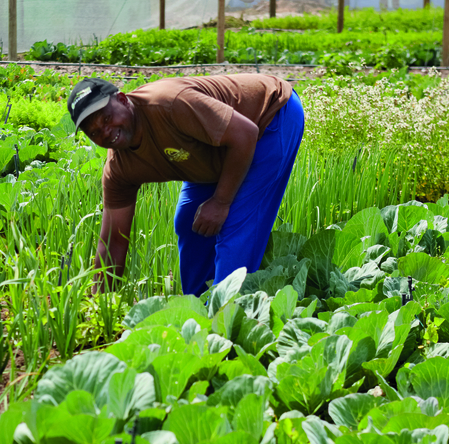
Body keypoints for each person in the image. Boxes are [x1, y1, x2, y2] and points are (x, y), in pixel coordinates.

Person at [67, 74, 304, 296]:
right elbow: (113, 241)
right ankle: (199, 303)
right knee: (189, 222)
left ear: (122, 99)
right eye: (95, 132)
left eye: (107, 118)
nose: (106, 132)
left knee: (236, 227)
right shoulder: (119, 168)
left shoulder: (169, 105)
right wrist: (99, 307)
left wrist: (221, 202)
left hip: (269, 118)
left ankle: (225, 317)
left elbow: (245, 134)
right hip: (219, 147)